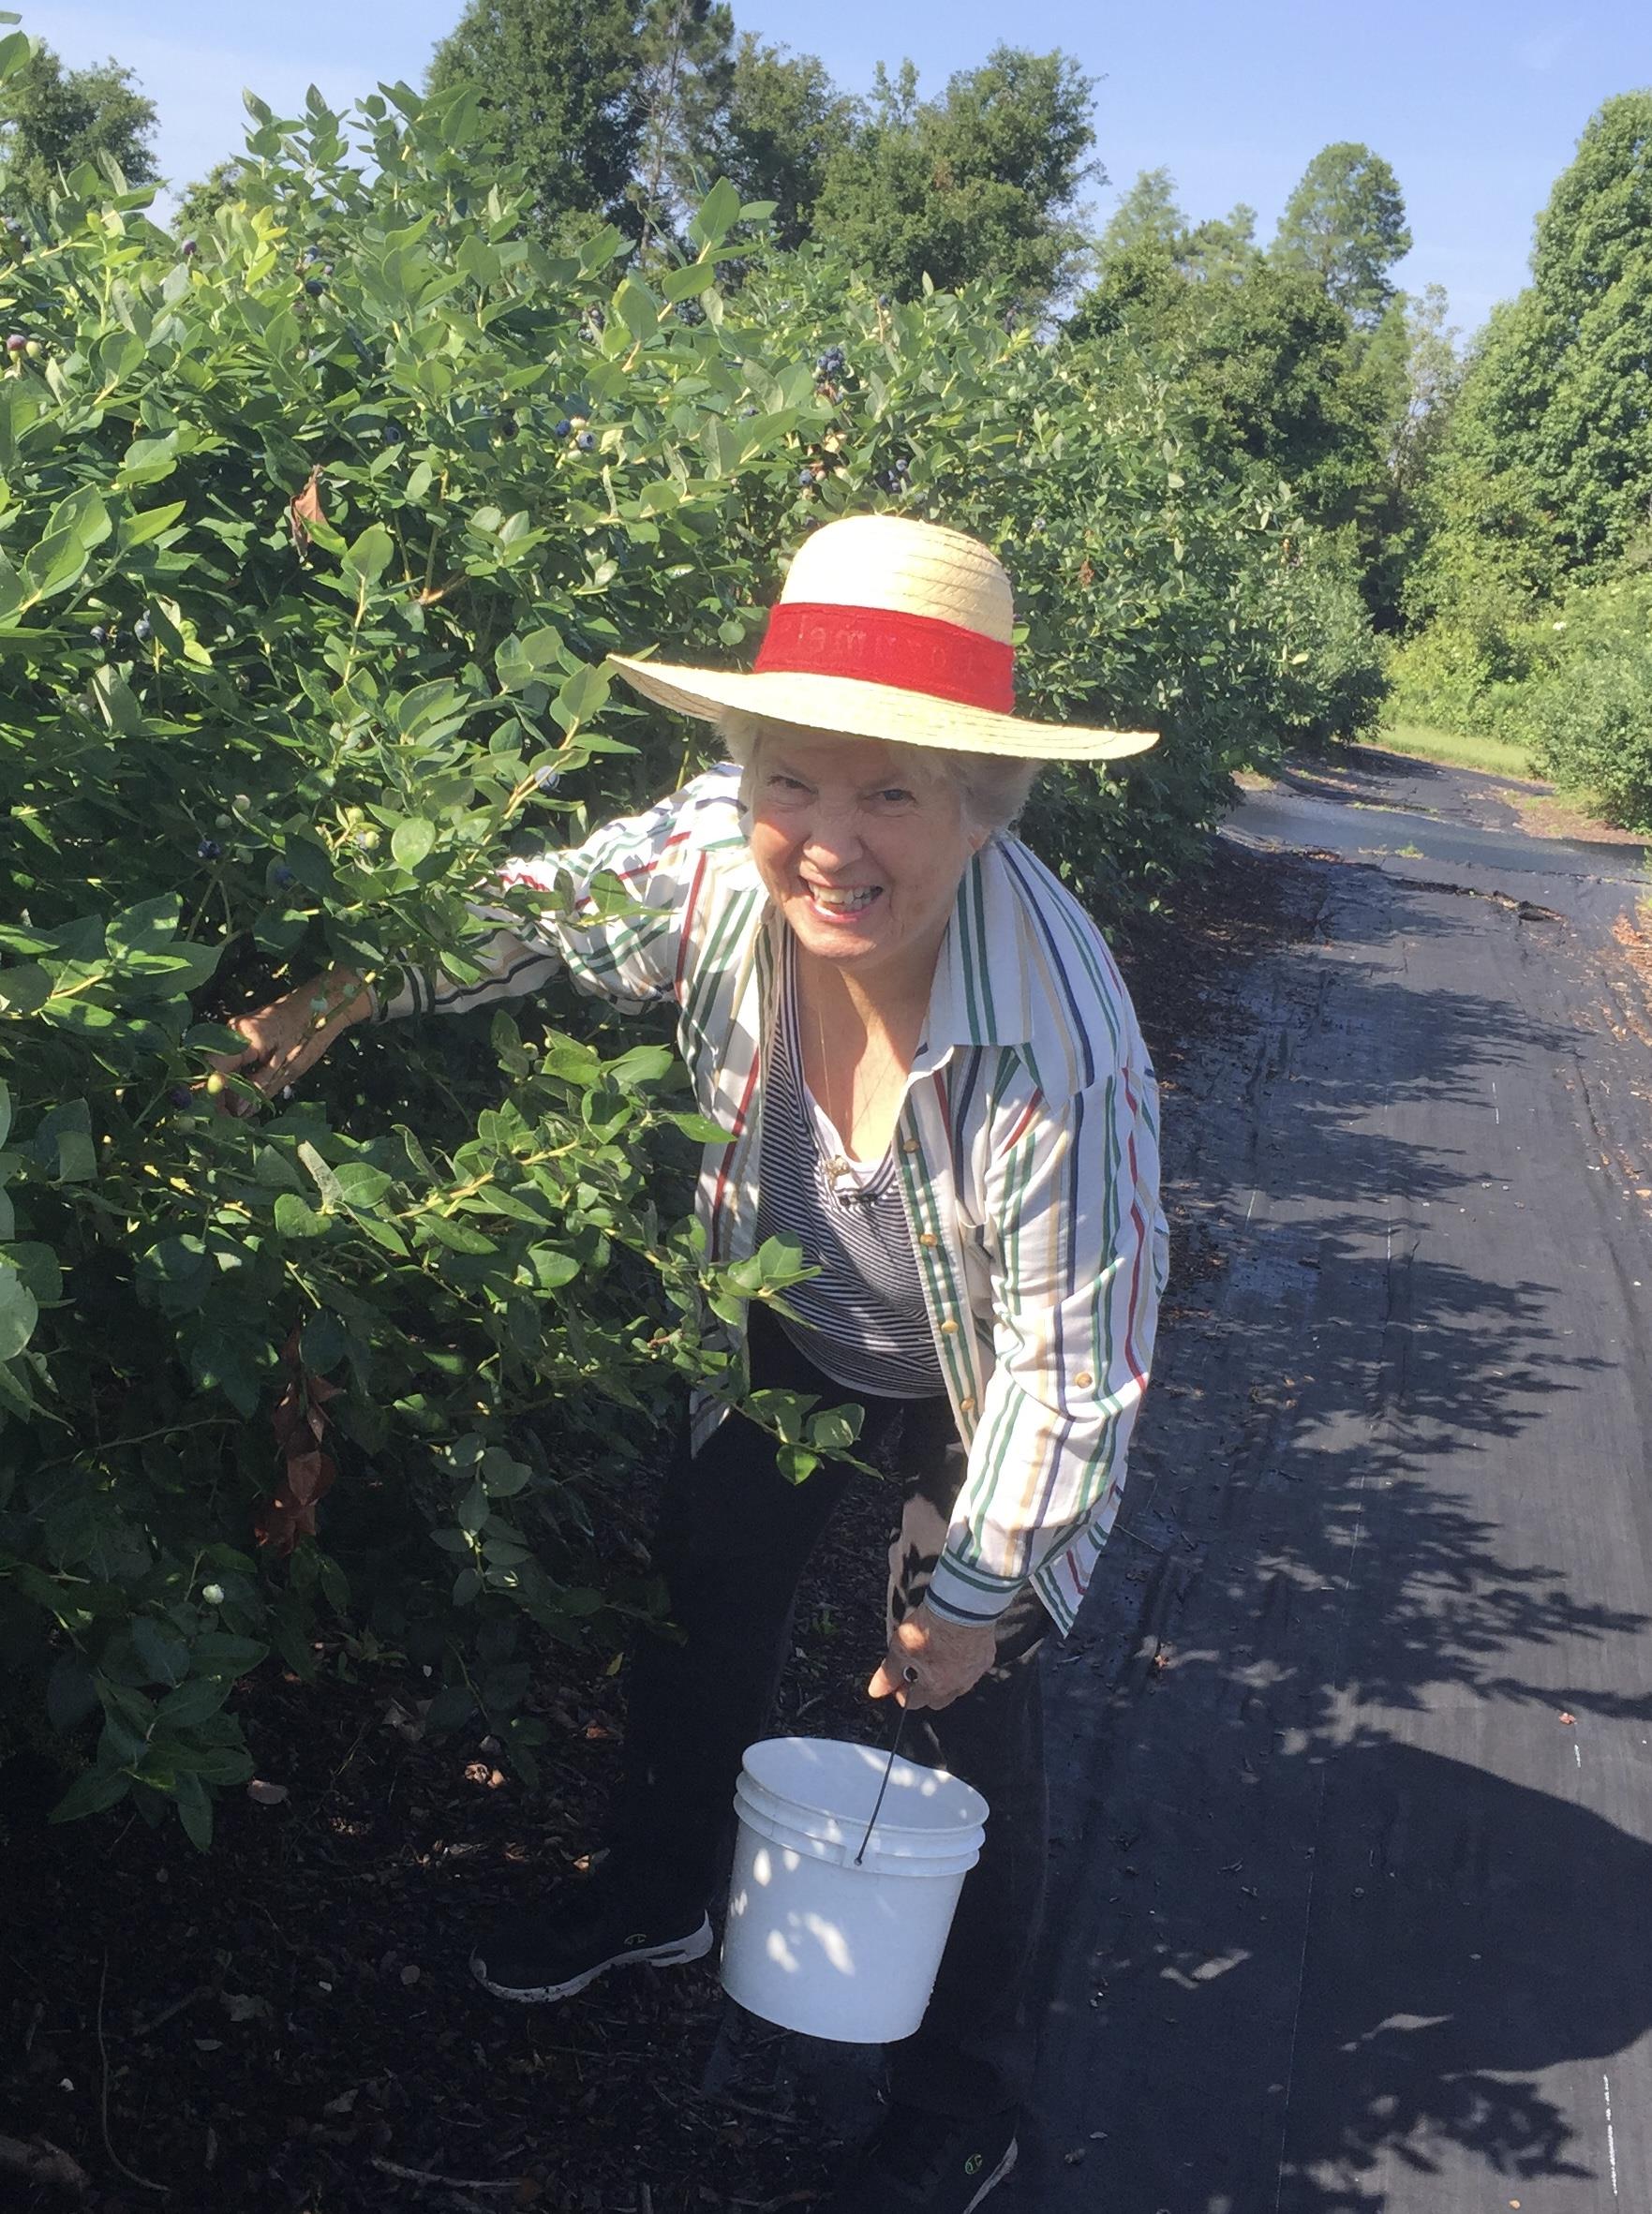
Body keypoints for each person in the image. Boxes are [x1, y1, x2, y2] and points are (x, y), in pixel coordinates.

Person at [222, 514, 1168, 2214]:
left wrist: (968, 1591)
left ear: (980, 804)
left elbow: (1067, 1363)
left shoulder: (1059, 1041)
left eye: (893, 792)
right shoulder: (719, 863)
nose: (830, 838)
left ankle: (969, 2100)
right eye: (795, 779)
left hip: (980, 1377)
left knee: (971, 1730)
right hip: (792, 1317)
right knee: (702, 1604)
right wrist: (348, 990)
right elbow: (540, 915)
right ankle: (659, 1889)